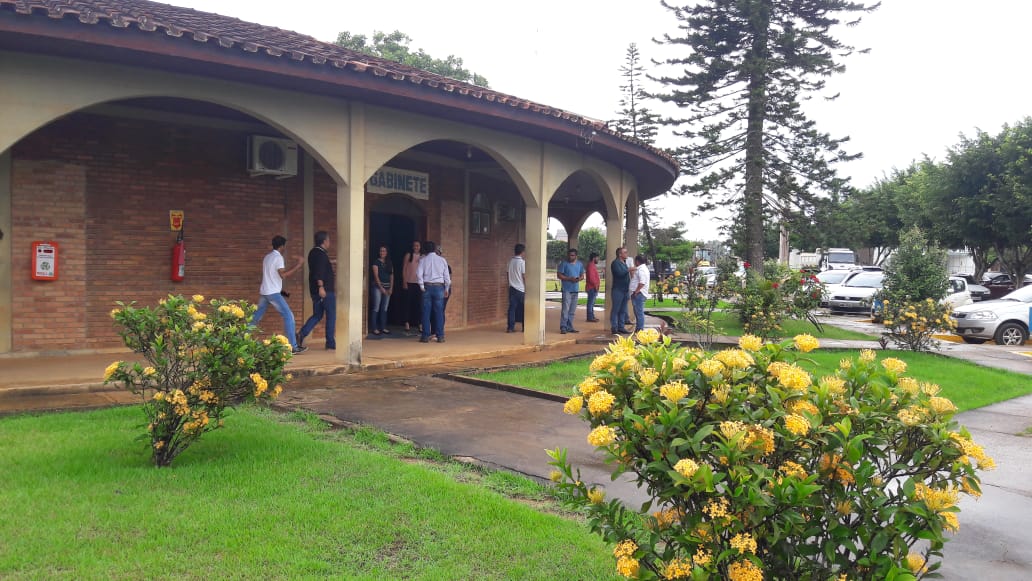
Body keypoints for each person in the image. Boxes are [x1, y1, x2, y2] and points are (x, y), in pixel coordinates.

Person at [251, 235, 307, 354]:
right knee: (289, 316)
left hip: (265, 292)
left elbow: (271, 277)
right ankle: (293, 347)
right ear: (282, 246)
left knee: (255, 318)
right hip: (272, 293)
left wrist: (282, 291)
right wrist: (299, 264)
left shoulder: (267, 257)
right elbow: (283, 275)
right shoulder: (278, 258)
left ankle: (240, 338)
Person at [298, 230, 336, 350]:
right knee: (331, 315)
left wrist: (331, 262)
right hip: (324, 290)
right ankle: (330, 343)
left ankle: (301, 334)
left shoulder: (313, 252)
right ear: (324, 241)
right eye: (328, 240)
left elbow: (318, 267)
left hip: (315, 290)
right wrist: (321, 287)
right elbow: (319, 272)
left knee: (317, 315)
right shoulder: (321, 255)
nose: (329, 242)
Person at [416, 240, 450, 343]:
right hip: (439, 287)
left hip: (427, 287)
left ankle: (425, 336)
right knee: (439, 312)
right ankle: (440, 336)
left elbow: (418, 274)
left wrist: (421, 286)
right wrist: (447, 288)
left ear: (425, 249)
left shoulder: (423, 260)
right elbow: (447, 276)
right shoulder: (442, 260)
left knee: (426, 312)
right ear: (435, 249)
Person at [557, 248, 585, 334]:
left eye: (572, 255)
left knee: (572, 310)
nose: (570, 257)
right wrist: (569, 278)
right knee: (565, 309)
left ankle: (569, 326)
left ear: (576, 256)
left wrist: (578, 279)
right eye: (569, 255)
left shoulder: (580, 264)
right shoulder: (564, 264)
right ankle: (563, 326)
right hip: (567, 289)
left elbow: (582, 276)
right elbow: (559, 275)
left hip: (575, 289)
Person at [369, 245, 394, 336]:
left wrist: (391, 287)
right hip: (377, 287)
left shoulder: (389, 262)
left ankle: (383, 327)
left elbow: (391, 276)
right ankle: (374, 328)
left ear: (387, 253)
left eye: (384, 251)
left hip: (387, 287)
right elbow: (376, 276)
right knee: (376, 307)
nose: (382, 252)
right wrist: (381, 288)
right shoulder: (376, 262)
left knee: (385, 308)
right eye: (381, 251)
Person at [402, 240, 422, 335]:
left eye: (418, 246)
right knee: (407, 304)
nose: (416, 247)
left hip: (419, 283)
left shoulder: (423, 257)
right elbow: (404, 268)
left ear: (420, 247)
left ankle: (419, 323)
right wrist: (404, 281)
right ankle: (407, 323)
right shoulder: (408, 255)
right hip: (409, 282)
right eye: (414, 245)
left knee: (419, 304)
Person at [610, 247, 631, 335]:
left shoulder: (624, 263)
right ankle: (614, 327)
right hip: (618, 290)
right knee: (616, 309)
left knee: (623, 310)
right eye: (625, 252)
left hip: (625, 289)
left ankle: (621, 327)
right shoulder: (615, 263)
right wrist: (629, 270)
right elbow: (619, 273)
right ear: (620, 254)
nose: (627, 254)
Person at [507, 243, 526, 333]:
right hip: (521, 289)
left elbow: (507, 274)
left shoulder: (510, 262)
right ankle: (524, 327)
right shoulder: (522, 263)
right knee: (523, 309)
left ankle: (510, 327)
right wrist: (527, 287)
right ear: (522, 252)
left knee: (512, 308)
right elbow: (524, 276)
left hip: (512, 288)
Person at [629, 254, 651, 332]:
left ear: (637, 261)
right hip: (638, 293)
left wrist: (636, 291)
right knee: (637, 311)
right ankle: (639, 328)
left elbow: (642, 282)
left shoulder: (641, 270)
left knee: (639, 312)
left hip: (639, 294)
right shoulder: (641, 269)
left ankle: (639, 329)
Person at [585, 252, 601, 323]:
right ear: (594, 258)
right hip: (592, 287)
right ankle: (590, 317)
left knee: (592, 303)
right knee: (590, 303)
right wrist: (595, 286)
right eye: (597, 258)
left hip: (593, 287)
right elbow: (591, 278)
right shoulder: (591, 266)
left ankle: (592, 316)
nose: (598, 259)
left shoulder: (592, 265)